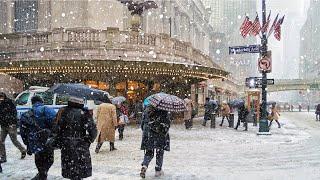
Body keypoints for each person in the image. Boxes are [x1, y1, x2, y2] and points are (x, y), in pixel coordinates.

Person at [52, 97, 97, 180]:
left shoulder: (62, 111)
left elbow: (56, 128)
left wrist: (61, 140)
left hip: (66, 145)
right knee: (80, 169)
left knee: (70, 169)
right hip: (81, 145)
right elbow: (93, 130)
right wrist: (88, 140)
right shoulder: (84, 112)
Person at [20, 96, 56, 180]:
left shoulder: (26, 114)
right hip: (47, 141)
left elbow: (23, 132)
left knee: (39, 161)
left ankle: (41, 174)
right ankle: (43, 174)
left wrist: (27, 143)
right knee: (49, 160)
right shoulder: (46, 109)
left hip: (34, 142)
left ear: (32, 103)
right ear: (41, 101)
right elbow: (55, 123)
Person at [140, 105, 170, 178]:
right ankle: (158, 170)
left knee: (149, 152)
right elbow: (167, 123)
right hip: (160, 134)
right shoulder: (164, 110)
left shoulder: (147, 110)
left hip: (149, 134)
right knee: (160, 152)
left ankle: (145, 165)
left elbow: (142, 124)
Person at [0, 92, 27, 163]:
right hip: (3, 125)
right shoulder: (0, 104)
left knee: (14, 140)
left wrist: (11, 122)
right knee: (0, 141)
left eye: (2, 97)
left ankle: (23, 150)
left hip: (11, 125)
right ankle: (3, 157)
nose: (1, 99)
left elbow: (14, 113)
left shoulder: (10, 102)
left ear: (4, 97)